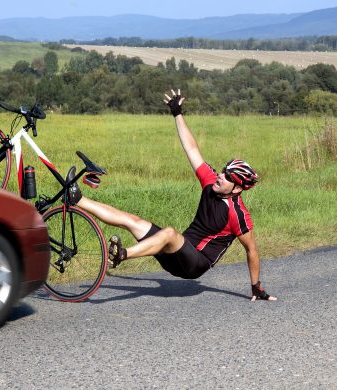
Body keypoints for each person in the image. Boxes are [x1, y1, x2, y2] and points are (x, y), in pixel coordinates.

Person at [68, 89, 276, 301]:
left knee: (168, 233)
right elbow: (192, 150)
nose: (220, 176)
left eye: (227, 177)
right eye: (223, 170)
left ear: (237, 188)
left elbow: (252, 250)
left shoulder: (238, 214)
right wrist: (177, 113)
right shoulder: (211, 182)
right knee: (133, 221)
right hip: (177, 252)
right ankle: (78, 199)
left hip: (195, 264)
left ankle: (123, 255)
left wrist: (256, 286)